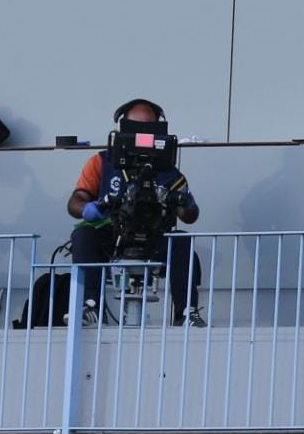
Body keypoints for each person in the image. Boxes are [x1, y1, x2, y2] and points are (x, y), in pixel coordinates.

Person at [67, 99, 203, 326]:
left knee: (182, 243)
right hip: (113, 236)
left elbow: (189, 215)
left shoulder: (169, 172)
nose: (142, 134)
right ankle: (90, 306)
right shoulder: (101, 162)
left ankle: (186, 313)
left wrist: (185, 203)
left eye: (149, 128)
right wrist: (86, 209)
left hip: (154, 238)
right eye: (135, 127)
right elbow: (75, 202)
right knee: (84, 236)